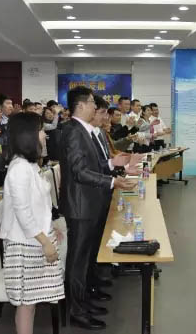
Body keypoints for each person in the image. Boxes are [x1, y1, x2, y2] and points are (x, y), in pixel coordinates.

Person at [59, 86, 136, 330]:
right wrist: (112, 181)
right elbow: (79, 172)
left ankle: (85, 301)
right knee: (78, 260)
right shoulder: (73, 131)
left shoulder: (84, 131)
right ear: (81, 105)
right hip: (80, 206)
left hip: (89, 203)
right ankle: (76, 311)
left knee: (86, 257)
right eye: (93, 102)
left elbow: (94, 165)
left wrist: (111, 168)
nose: (96, 106)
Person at [0, 112, 65, 334]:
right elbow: (23, 212)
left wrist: (51, 228)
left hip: (35, 240)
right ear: (28, 135)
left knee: (32, 301)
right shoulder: (19, 168)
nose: (45, 135)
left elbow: (39, 205)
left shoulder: (30, 165)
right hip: (25, 244)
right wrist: (45, 241)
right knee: (27, 303)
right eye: (41, 130)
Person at [0, 95, 14, 189]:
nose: (11, 106)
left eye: (11, 103)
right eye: (8, 103)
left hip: (8, 161)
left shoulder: (10, 120)